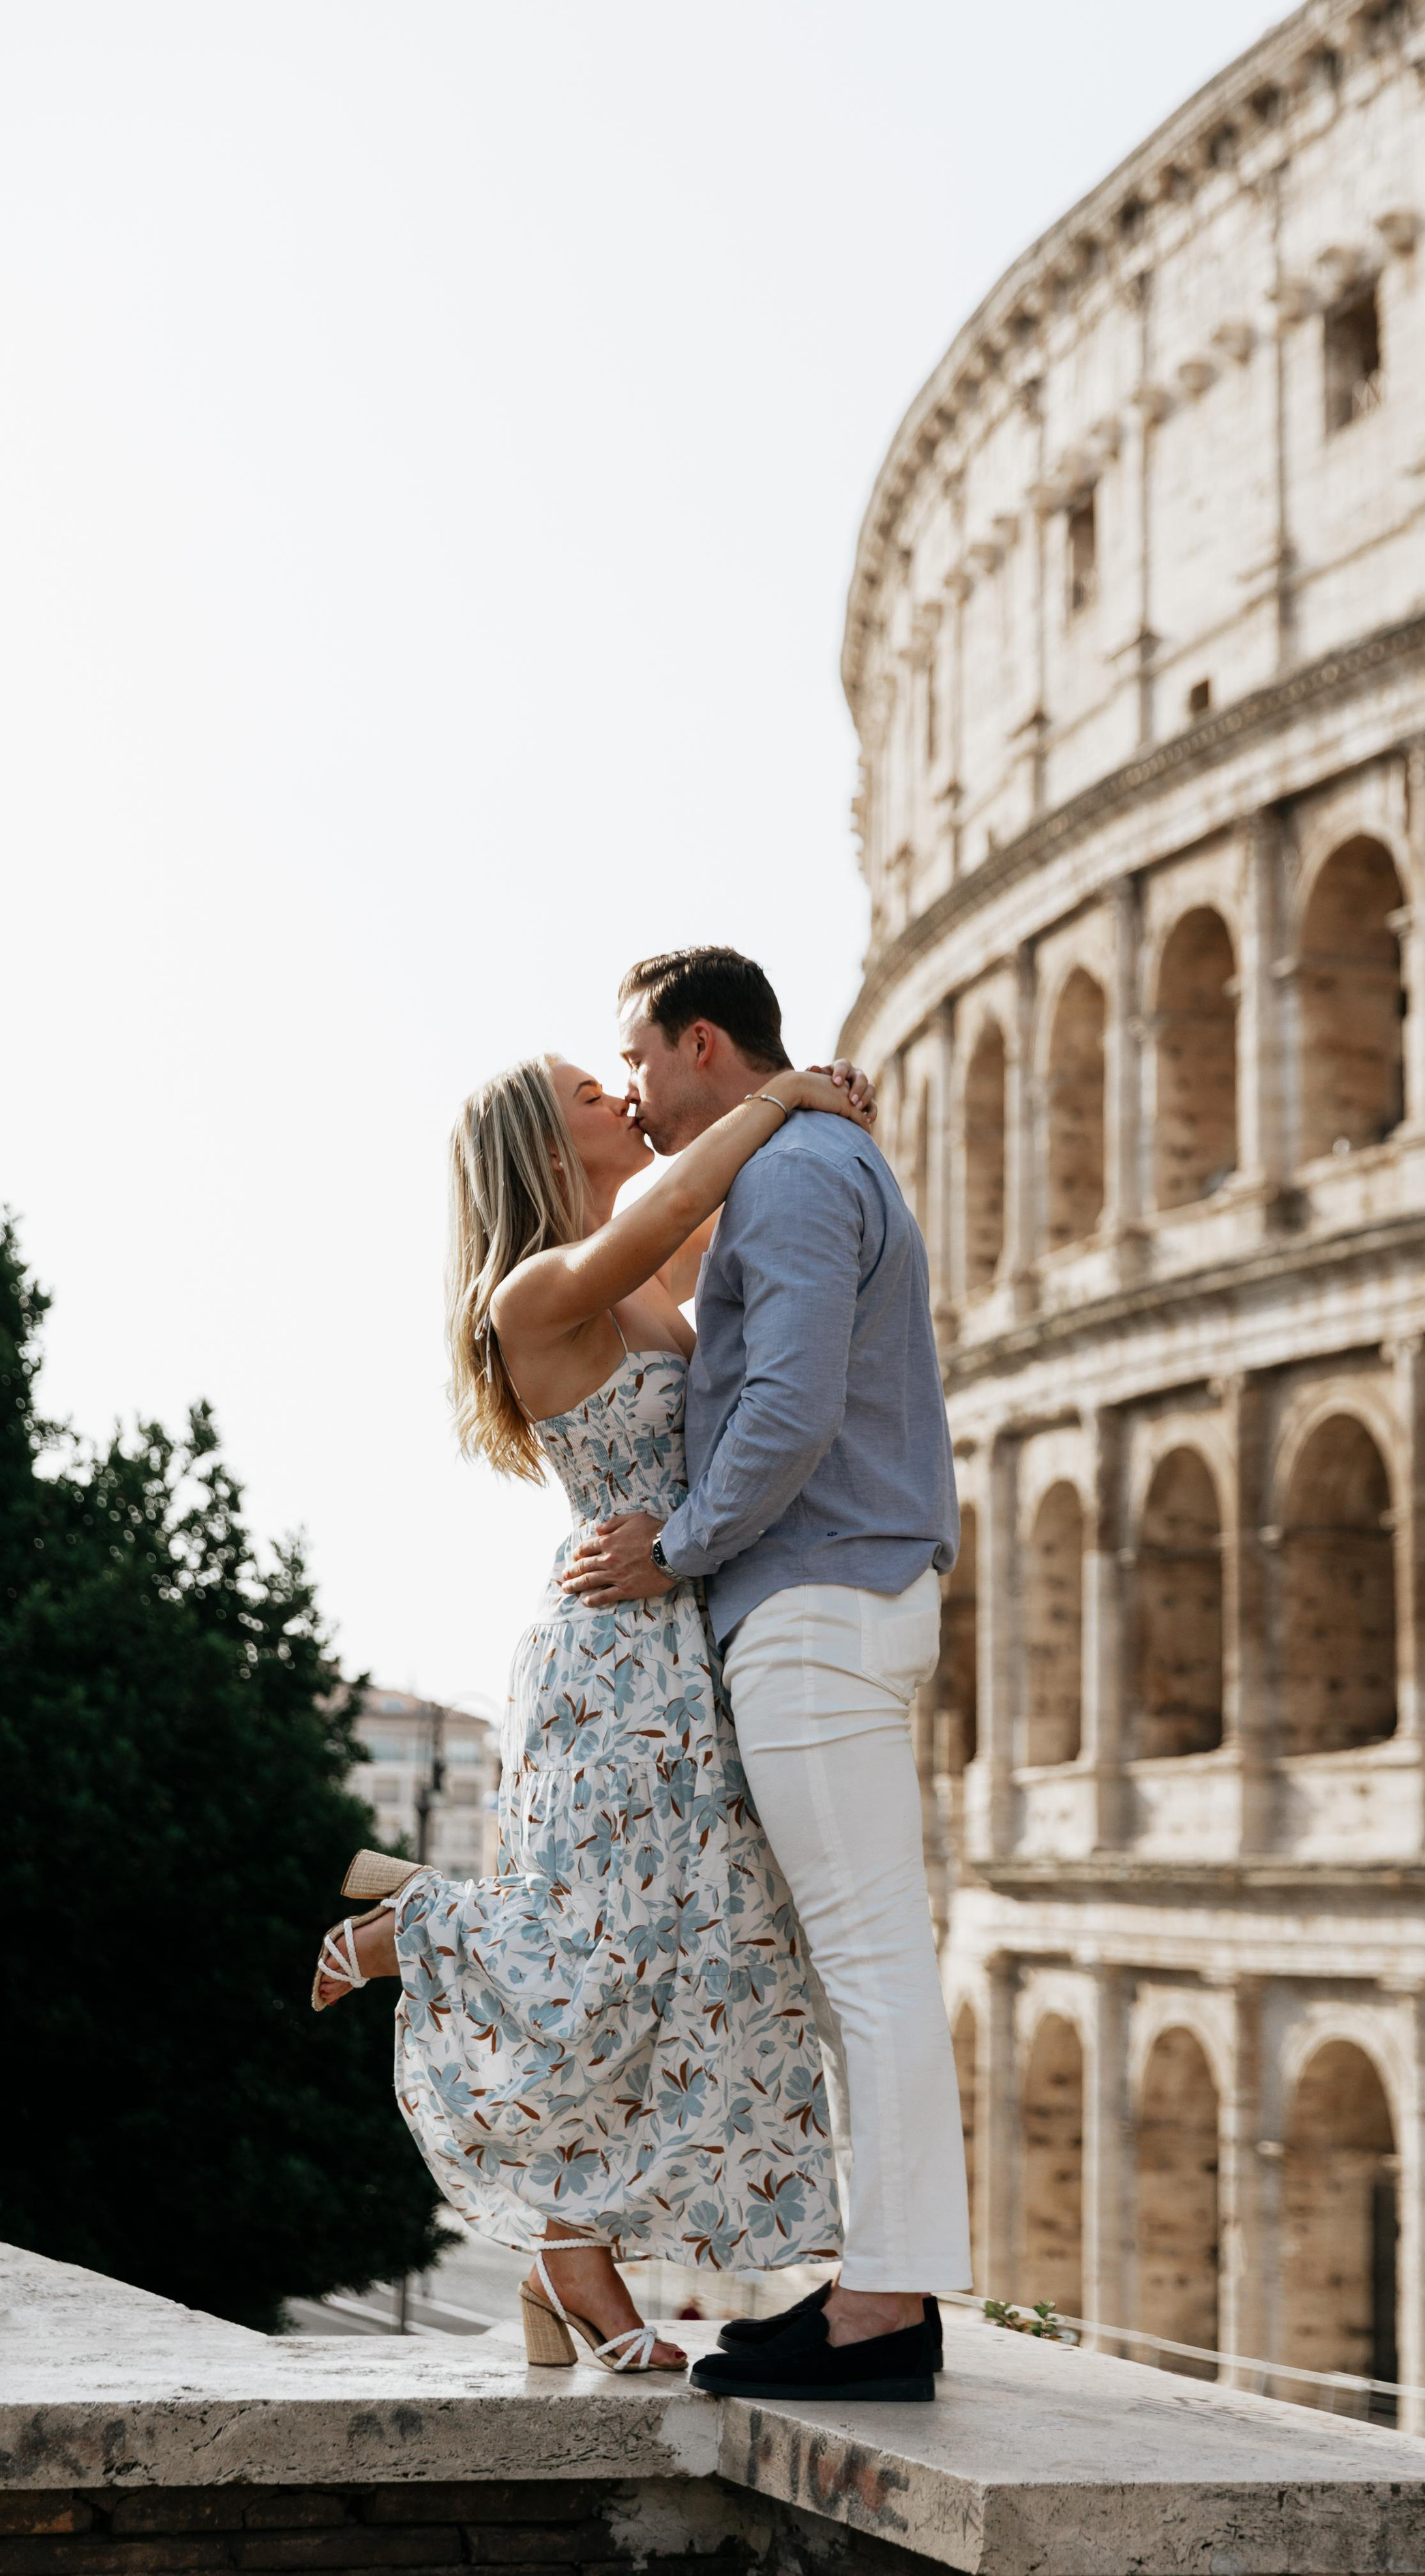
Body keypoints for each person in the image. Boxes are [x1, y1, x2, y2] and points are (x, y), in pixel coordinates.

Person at [309, 1044, 873, 2376]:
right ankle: (416, 1928)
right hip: (605, 1669)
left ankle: (568, 2253)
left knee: (682, 1955)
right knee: (602, 1951)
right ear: (543, 1150)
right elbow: (678, 1209)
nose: (616, 1098)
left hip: (680, 1651)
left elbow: (742, 1232)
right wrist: (781, 1095)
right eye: (585, 1093)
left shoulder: (641, 1286)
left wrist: (834, 1122)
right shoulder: (539, 1289)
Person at [560, 945, 970, 2407]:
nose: (633, 1091)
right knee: (863, 1963)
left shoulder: (794, 1178)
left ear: (704, 1046)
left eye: (643, 1058)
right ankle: (881, 2290)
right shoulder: (794, 1159)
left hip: (817, 1595)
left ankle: (883, 2311)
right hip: (839, 1591)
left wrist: (676, 1545)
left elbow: (787, 1401)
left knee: (869, 1965)